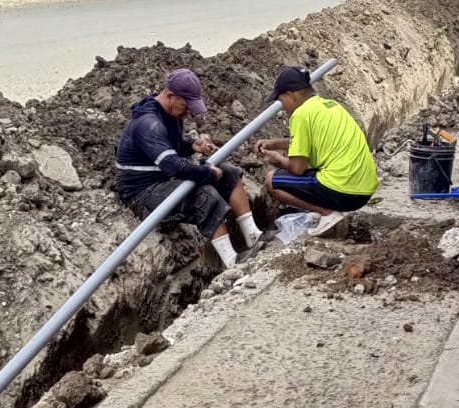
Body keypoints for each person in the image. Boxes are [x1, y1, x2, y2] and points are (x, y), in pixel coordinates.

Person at [115, 69, 262, 269]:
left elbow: (171, 148)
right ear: (170, 96)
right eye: (186, 106)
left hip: (162, 180)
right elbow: (172, 165)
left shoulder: (169, 115)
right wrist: (208, 174)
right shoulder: (148, 124)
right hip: (141, 193)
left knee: (229, 173)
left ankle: (253, 236)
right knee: (203, 193)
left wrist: (192, 145)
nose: (189, 112)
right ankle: (232, 263)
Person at [259, 66, 379, 224]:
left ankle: (327, 214)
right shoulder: (330, 105)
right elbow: (309, 142)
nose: (283, 107)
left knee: (271, 181)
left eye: (281, 101)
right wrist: (275, 143)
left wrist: (279, 159)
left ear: (290, 96)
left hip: (344, 190)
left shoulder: (300, 115)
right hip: (364, 189)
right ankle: (323, 211)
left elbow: (297, 168)